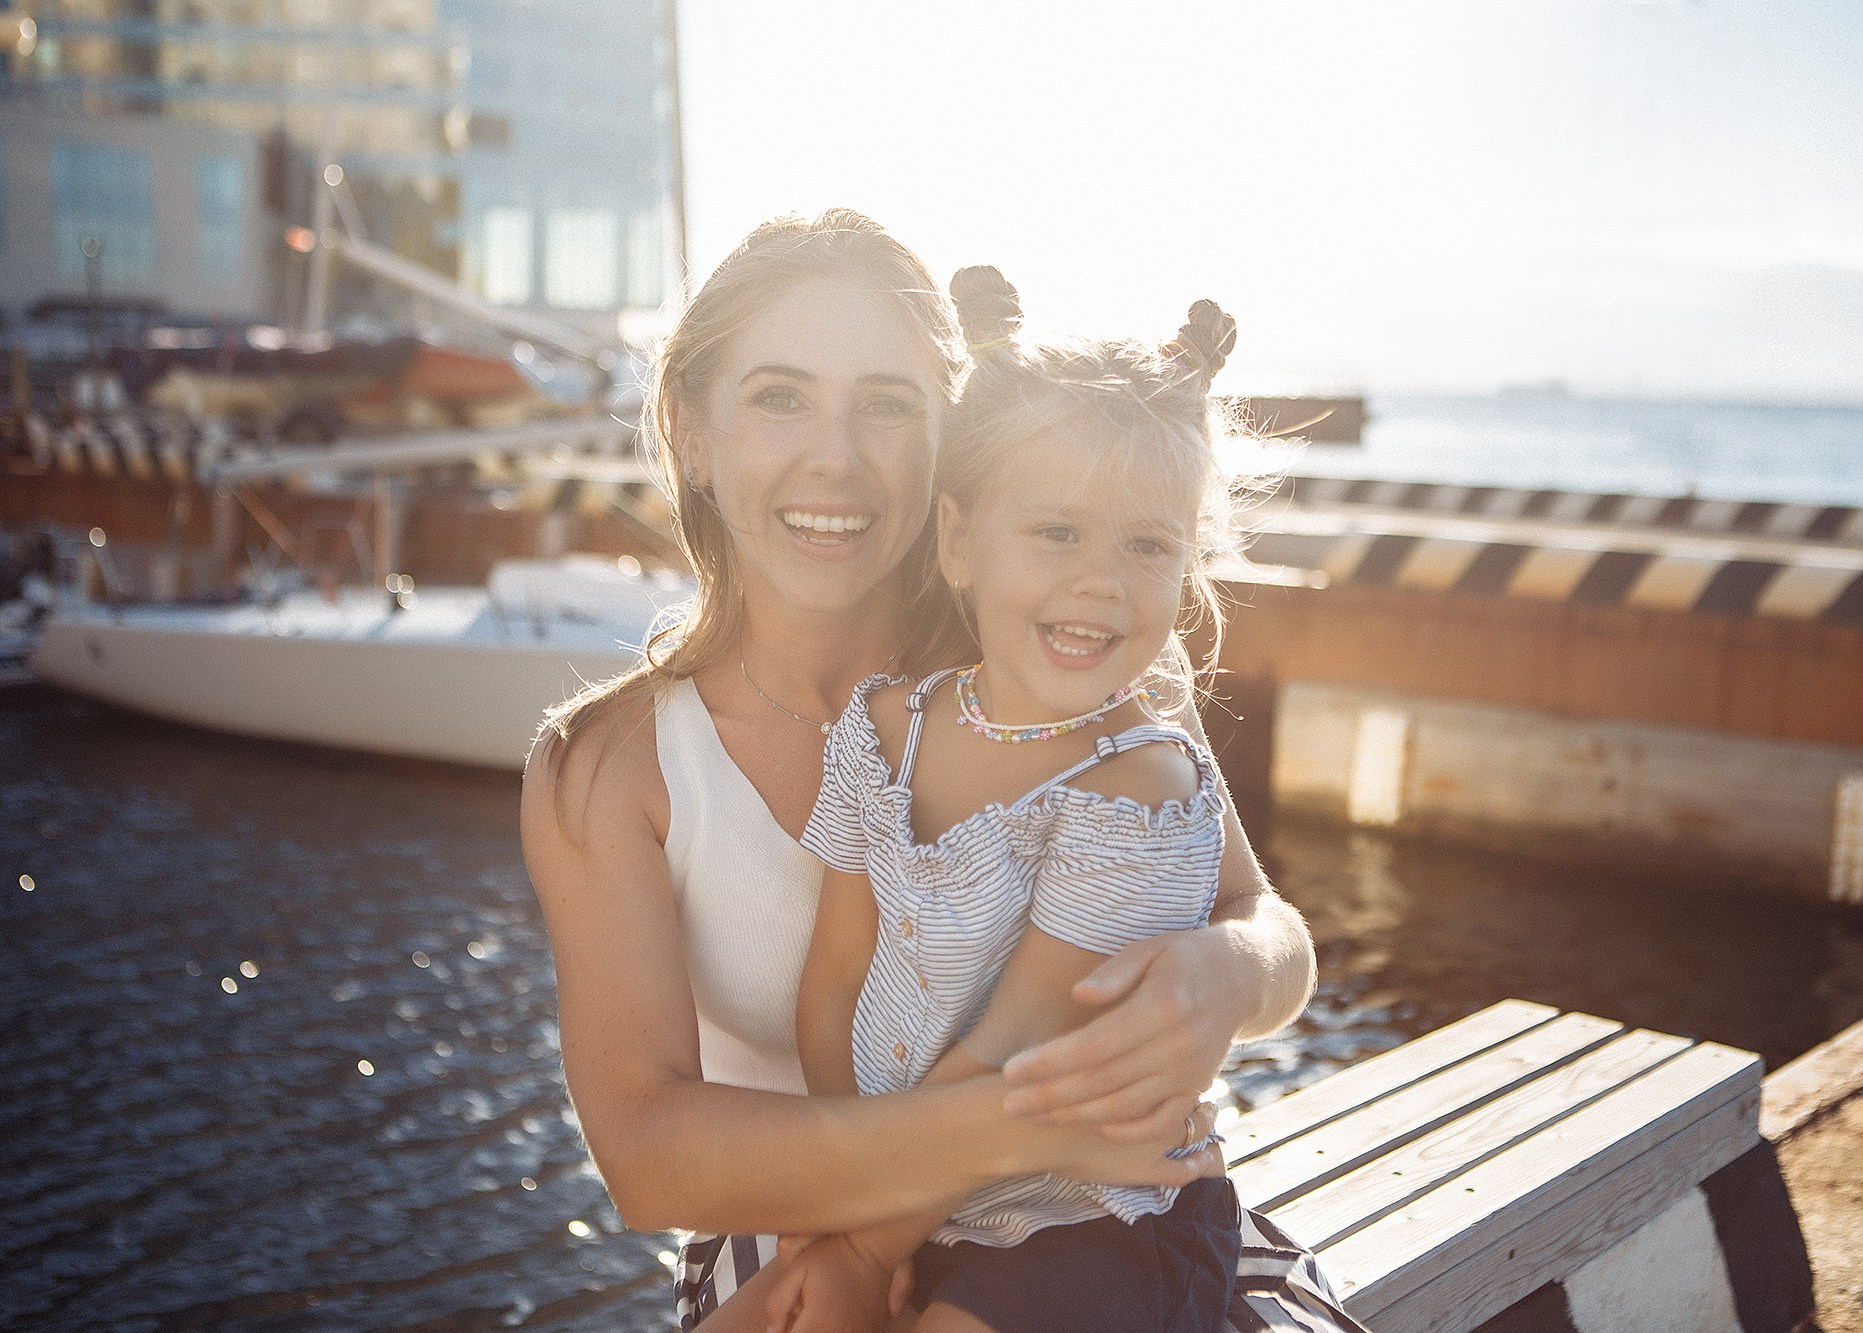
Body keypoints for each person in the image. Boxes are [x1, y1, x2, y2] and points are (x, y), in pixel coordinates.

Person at [520, 210, 1359, 1333]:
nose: (837, 455)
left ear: (945, 444)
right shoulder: (607, 771)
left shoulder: (1050, 653)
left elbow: (1267, 928)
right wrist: (996, 1150)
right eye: (779, 397)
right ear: (690, 429)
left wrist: (1222, 975)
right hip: (797, 1234)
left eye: (887, 404)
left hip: (1091, 1214)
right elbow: (650, 1158)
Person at [772, 268, 1262, 1333]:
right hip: (900, 1188)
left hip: (1093, 1214)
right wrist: (832, 1203)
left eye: (1147, 545)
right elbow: (833, 979)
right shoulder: (880, 730)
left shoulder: (1139, 786)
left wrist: (866, 1244)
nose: (1103, 582)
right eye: (1057, 532)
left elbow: (1016, 1047)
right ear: (956, 542)